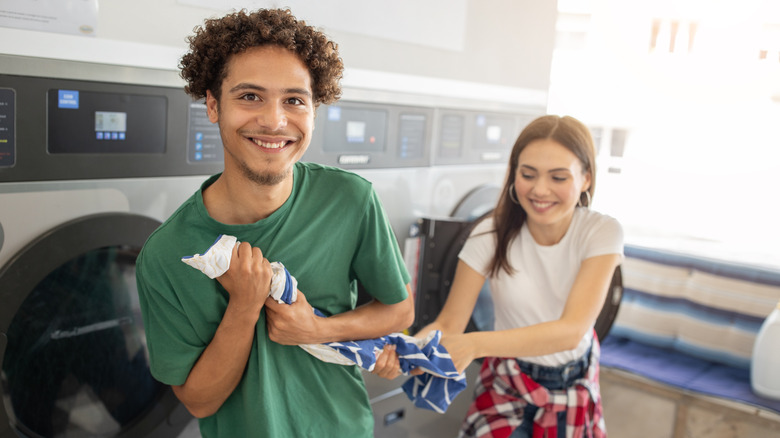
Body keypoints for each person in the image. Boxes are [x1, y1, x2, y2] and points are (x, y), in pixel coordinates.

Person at [135, 9, 414, 438]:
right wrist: (244, 306)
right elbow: (199, 400)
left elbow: (398, 309)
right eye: (249, 96)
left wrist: (318, 329)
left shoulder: (350, 200)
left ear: (314, 110)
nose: (274, 121)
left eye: (294, 100)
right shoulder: (169, 254)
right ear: (213, 104)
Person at [374, 115, 623, 437]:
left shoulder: (601, 232)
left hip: (573, 385)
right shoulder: (490, 233)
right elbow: (450, 323)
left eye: (558, 177)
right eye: (528, 174)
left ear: (586, 178)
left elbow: (571, 331)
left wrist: (473, 345)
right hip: (508, 379)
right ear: (513, 174)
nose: (540, 190)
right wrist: (408, 349)